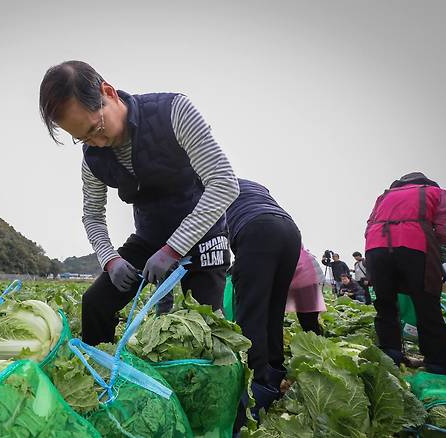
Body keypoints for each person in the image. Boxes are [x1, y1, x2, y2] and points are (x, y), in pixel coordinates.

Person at [39, 61, 239, 346]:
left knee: (210, 330)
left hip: (204, 236)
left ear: (108, 92)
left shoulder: (174, 112)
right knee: (96, 303)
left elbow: (223, 183)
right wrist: (111, 260)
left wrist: (173, 249)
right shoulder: (93, 158)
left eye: (96, 128)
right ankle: (100, 379)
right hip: (150, 239)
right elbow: (93, 215)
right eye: (82, 138)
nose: (96, 142)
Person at [226, 179, 301, 426]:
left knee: (251, 313)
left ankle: (255, 387)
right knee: (273, 309)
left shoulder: (209, 184)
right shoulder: (251, 185)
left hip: (255, 228)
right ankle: (275, 372)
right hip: (289, 230)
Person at [365, 172, 446, 374]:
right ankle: (437, 365)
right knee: (426, 305)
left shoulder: (384, 196)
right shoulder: (437, 193)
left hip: (376, 247)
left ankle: (391, 357)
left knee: (385, 305)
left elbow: (369, 225)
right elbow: (442, 230)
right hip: (415, 246)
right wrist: (437, 257)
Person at [286, 247, 326, 335]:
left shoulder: (297, 255)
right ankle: (318, 338)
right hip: (312, 290)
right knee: (311, 319)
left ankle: (315, 339)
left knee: (307, 320)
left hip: (305, 292)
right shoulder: (307, 255)